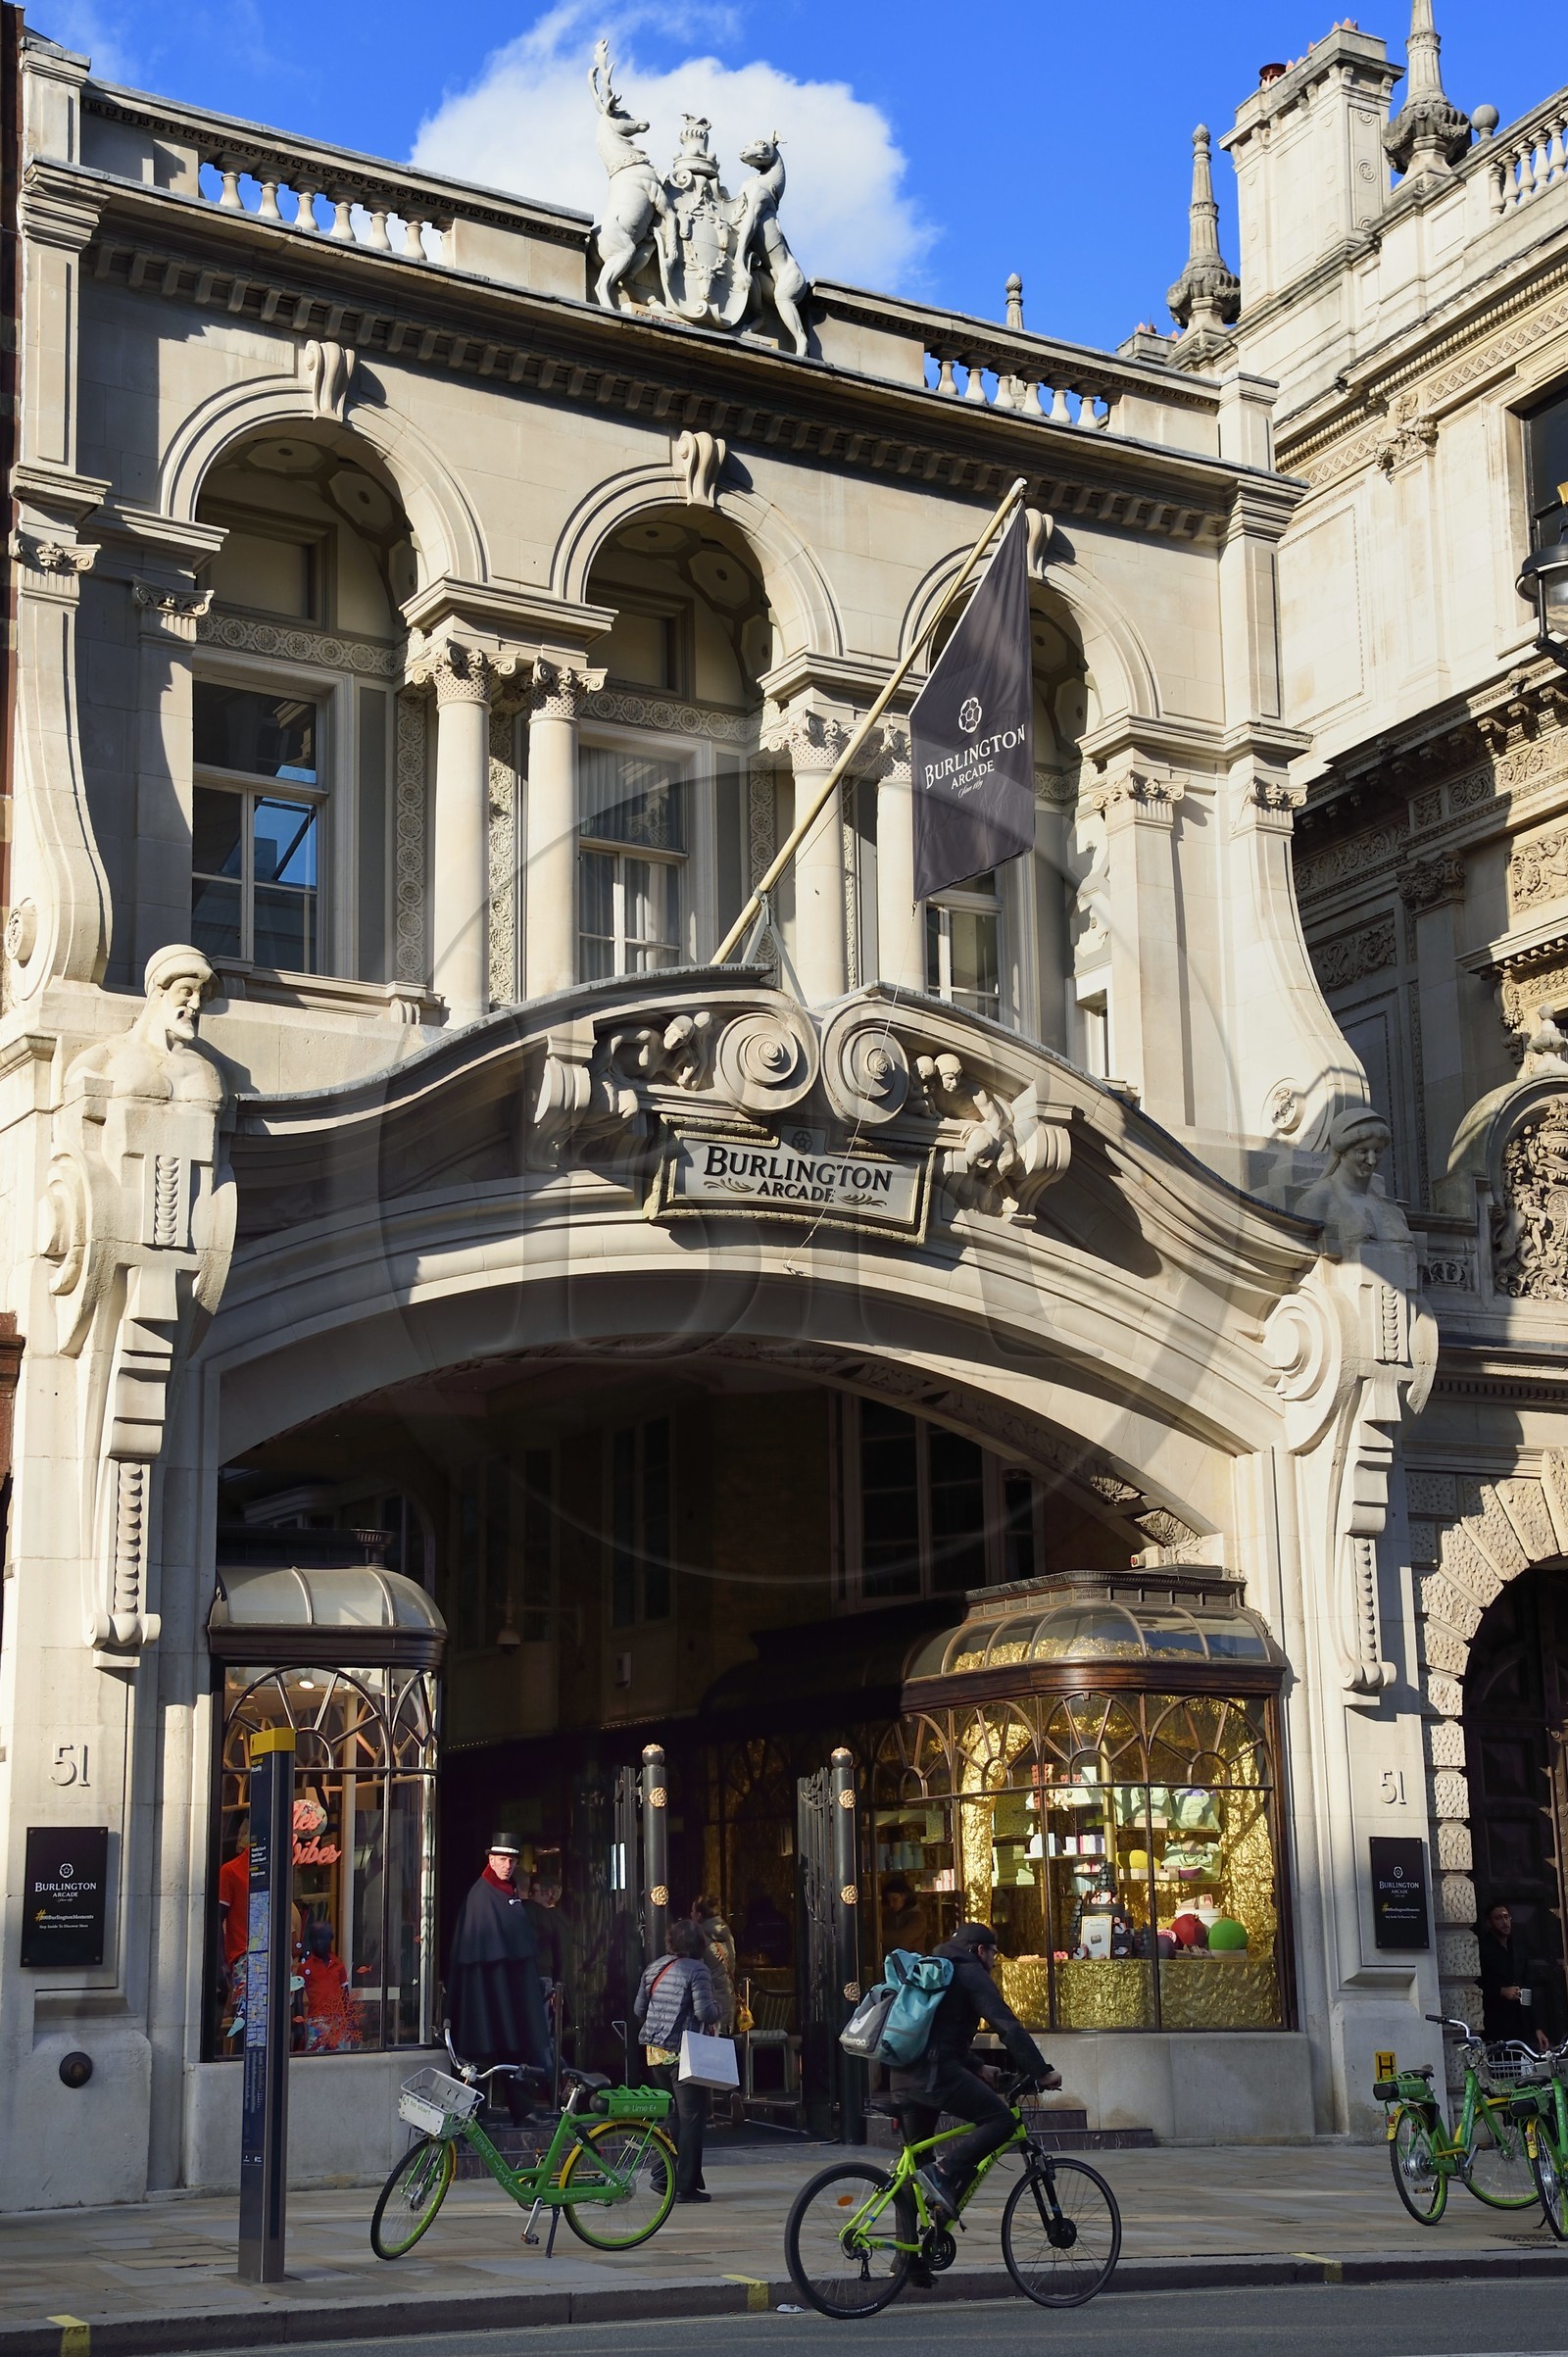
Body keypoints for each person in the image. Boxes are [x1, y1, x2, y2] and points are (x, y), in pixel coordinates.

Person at [892, 1920, 1059, 2226]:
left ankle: (911, 2266)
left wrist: (978, 2066)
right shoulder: (970, 1971)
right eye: (994, 1954)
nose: (994, 1962)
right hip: (937, 2074)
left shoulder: (934, 1968)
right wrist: (1041, 2071)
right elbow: (1006, 2024)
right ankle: (943, 2171)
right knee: (1001, 2122)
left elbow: (935, 2032)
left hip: (904, 2074)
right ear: (981, 1950)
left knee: (916, 2166)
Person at [447, 1833, 551, 2120]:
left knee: (515, 2047)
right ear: (491, 1859)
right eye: (502, 1859)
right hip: (487, 1987)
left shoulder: (509, 1892)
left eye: (512, 1860)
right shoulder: (481, 1895)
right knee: (482, 2049)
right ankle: (470, 2114)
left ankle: (522, 2108)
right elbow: (480, 1947)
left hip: (509, 1986)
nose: (507, 1865)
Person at [633, 1918, 720, 2202]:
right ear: (700, 1944)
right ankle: (684, 2186)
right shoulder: (698, 1970)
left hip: (655, 2052)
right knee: (692, 2118)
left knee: (673, 2116)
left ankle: (662, 2176)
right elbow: (706, 2012)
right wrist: (718, 2008)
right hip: (683, 2052)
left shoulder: (654, 1967)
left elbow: (638, 2009)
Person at [1479, 1900, 1546, 2050]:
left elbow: (1527, 1987)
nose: (1504, 1922)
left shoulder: (1518, 1948)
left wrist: (1537, 2028)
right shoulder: (1482, 1949)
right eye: (1498, 1918)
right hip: (1495, 2025)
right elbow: (1474, 1986)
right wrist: (1501, 1991)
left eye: (1507, 1917)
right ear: (1489, 1923)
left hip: (1521, 2026)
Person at [692, 1894, 737, 2034]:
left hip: (710, 2000)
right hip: (727, 1995)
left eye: (692, 1911)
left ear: (699, 1915)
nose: (690, 1914)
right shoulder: (725, 1932)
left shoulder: (700, 1937)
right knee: (724, 2039)